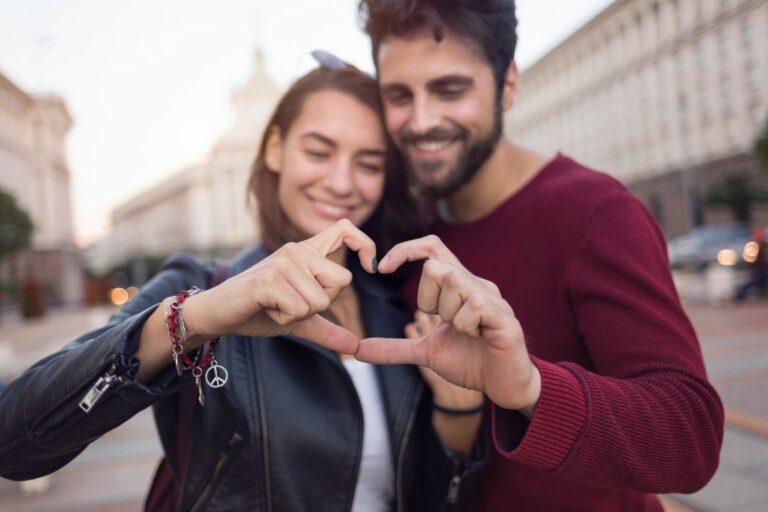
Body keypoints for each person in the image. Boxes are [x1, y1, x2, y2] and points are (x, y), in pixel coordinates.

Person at [0, 60, 484, 511]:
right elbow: (14, 444)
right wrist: (192, 322)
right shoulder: (201, 289)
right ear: (274, 149)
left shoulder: (397, 306)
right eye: (318, 151)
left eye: (369, 163)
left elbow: (430, 492)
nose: (342, 182)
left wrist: (458, 412)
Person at [353, 1, 725, 510]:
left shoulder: (595, 213)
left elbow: (691, 439)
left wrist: (530, 387)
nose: (420, 121)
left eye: (450, 89)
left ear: (507, 84)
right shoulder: (401, 228)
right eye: (398, 95)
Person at [734, 227, 768, 301]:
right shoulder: (753, 246)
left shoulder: (764, 245)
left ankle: (738, 297)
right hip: (760, 272)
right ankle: (738, 297)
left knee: (752, 283)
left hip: (763, 272)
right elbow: (750, 261)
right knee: (751, 283)